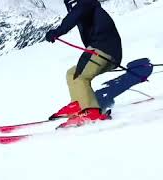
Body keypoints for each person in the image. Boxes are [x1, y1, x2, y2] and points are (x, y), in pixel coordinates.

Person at [45, 0, 122, 128]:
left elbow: (75, 14)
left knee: (81, 77)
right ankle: (78, 105)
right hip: (101, 50)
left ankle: (91, 111)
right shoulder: (87, 9)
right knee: (71, 74)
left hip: (105, 50)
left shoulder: (86, 3)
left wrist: (57, 32)